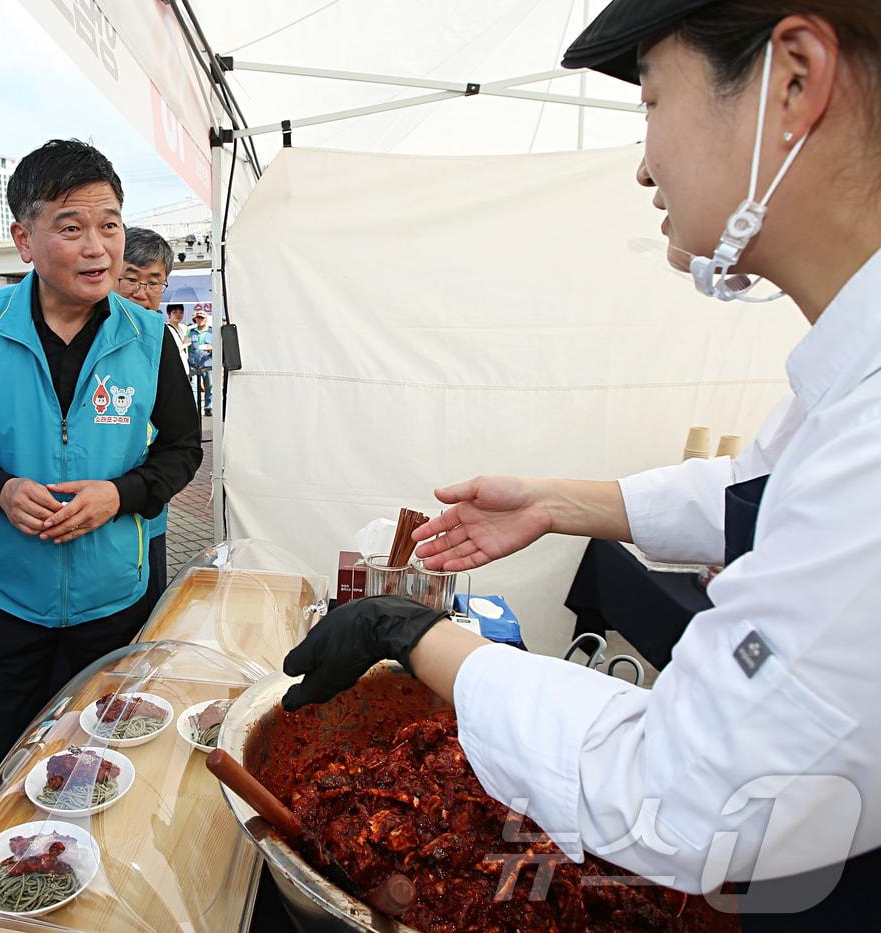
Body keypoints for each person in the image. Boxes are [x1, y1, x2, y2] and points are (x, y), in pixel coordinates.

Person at [281, 2, 881, 926]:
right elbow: (756, 497)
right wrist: (555, 503)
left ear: (794, 80)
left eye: (651, 100)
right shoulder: (846, 379)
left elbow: (684, 788)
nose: (644, 162)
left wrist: (409, 633)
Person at [0, 139, 202, 793]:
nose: (99, 247)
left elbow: (183, 448)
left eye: (110, 225)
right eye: (71, 228)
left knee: (109, 757)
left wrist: (121, 494)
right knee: (13, 760)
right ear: (24, 238)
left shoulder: (149, 335)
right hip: (6, 598)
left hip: (116, 598)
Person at [116, 226, 180, 608]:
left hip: (146, 508)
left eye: (153, 282)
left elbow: (179, 438)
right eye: (131, 279)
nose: (141, 292)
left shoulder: (162, 341)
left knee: (147, 608)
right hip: (91, 509)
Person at [188, 308, 213, 415]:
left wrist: (211, 348)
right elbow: (188, 347)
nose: (200, 320)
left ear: (206, 319)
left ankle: (208, 408)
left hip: (208, 363)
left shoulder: (212, 331)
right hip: (194, 364)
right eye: (198, 318)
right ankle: (195, 409)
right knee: (194, 388)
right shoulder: (191, 332)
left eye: (202, 318)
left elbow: (219, 346)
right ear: (195, 319)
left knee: (209, 386)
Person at [165, 303, 190, 377]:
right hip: (173, 367)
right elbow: (169, 350)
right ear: (169, 314)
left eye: (181, 312)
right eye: (175, 312)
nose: (178, 315)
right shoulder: (166, 329)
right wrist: (185, 344)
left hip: (184, 364)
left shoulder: (184, 327)